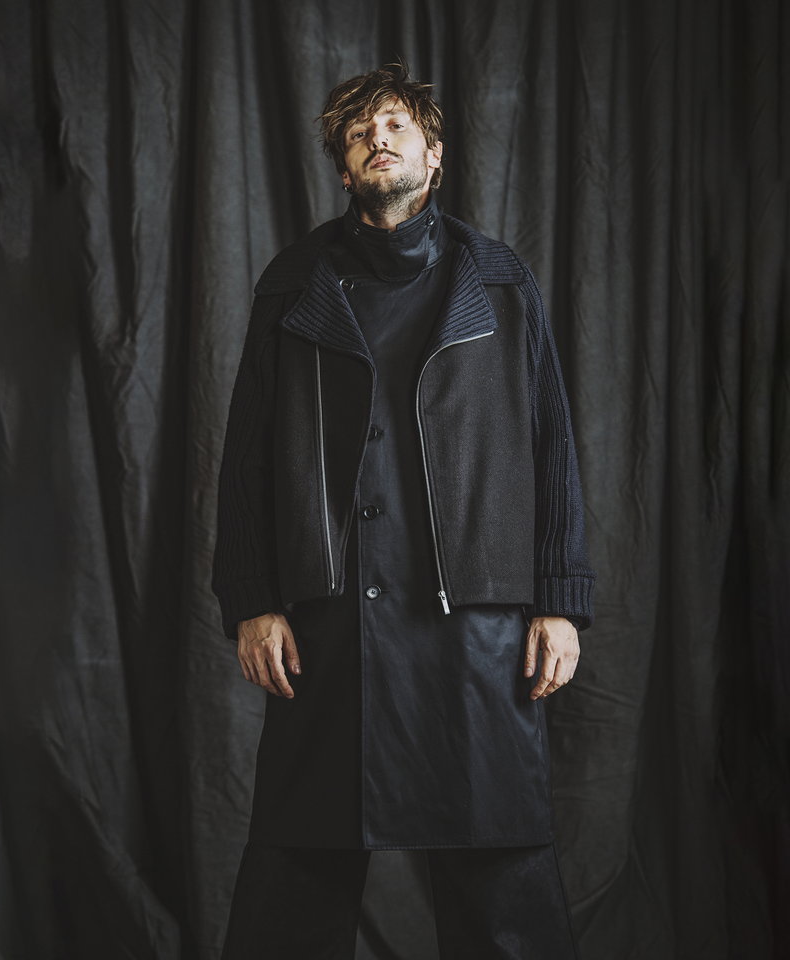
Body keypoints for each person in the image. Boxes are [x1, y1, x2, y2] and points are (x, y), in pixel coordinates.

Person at [211, 62, 595, 960]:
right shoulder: (293, 282)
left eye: (394, 126)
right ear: (345, 170)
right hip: (329, 625)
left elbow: (550, 444)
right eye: (358, 134)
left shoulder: (500, 282)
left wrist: (560, 600)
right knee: (292, 892)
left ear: (434, 153)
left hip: (478, 633)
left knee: (503, 895)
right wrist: (252, 599)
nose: (376, 140)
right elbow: (247, 456)